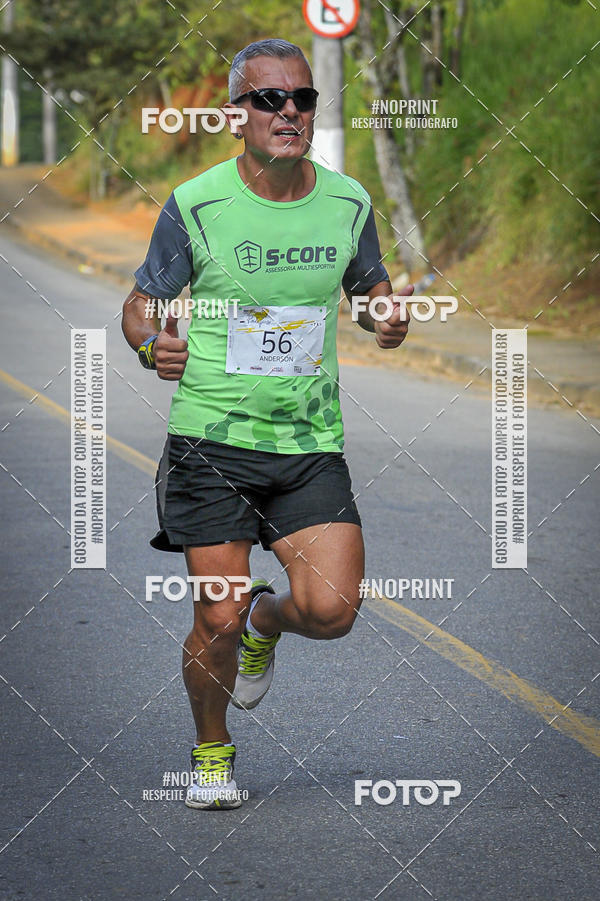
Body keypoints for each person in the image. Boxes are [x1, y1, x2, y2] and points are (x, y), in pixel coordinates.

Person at [122, 38, 411, 810]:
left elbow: (370, 282)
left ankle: (266, 618)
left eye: (303, 98)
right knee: (212, 615)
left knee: (332, 609)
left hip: (309, 443)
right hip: (212, 444)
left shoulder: (348, 201)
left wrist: (386, 313)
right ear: (235, 115)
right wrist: (155, 343)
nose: (290, 112)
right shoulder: (197, 204)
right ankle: (212, 750)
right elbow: (141, 304)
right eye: (270, 99)